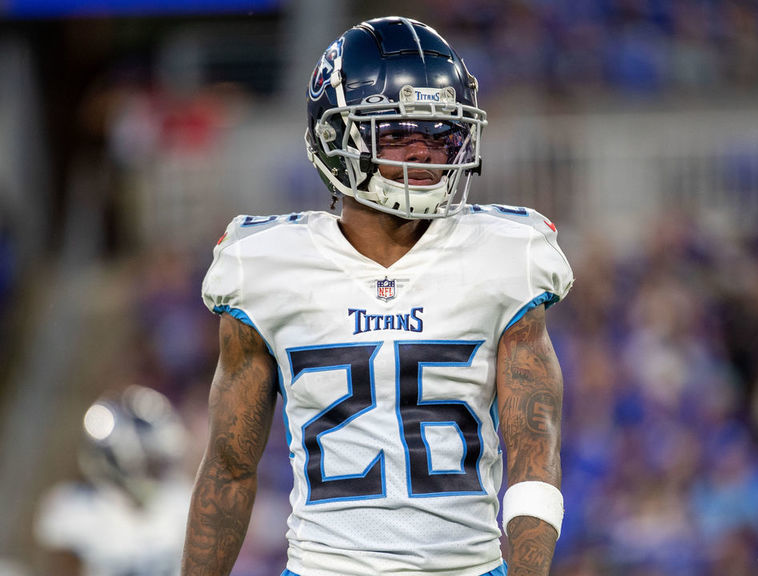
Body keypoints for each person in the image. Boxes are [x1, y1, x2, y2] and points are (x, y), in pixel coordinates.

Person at [182, 15, 573, 576]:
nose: (424, 155)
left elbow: (535, 449)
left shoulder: (507, 255)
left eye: (440, 135)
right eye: (398, 133)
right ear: (335, 137)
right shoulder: (264, 265)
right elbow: (229, 466)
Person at [35, 385, 192, 576]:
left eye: (159, 464)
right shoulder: (78, 511)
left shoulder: (184, 502)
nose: (159, 474)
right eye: (152, 465)